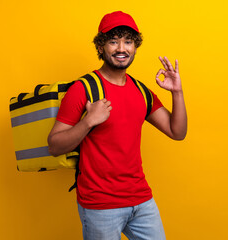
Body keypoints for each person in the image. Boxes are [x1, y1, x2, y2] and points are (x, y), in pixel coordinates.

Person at [47, 11, 187, 240]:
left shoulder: (141, 91)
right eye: (113, 41)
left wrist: (177, 92)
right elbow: (54, 146)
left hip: (141, 200)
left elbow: (177, 131)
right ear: (101, 47)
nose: (121, 48)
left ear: (135, 46)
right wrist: (88, 121)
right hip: (100, 204)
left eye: (128, 41)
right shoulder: (83, 89)